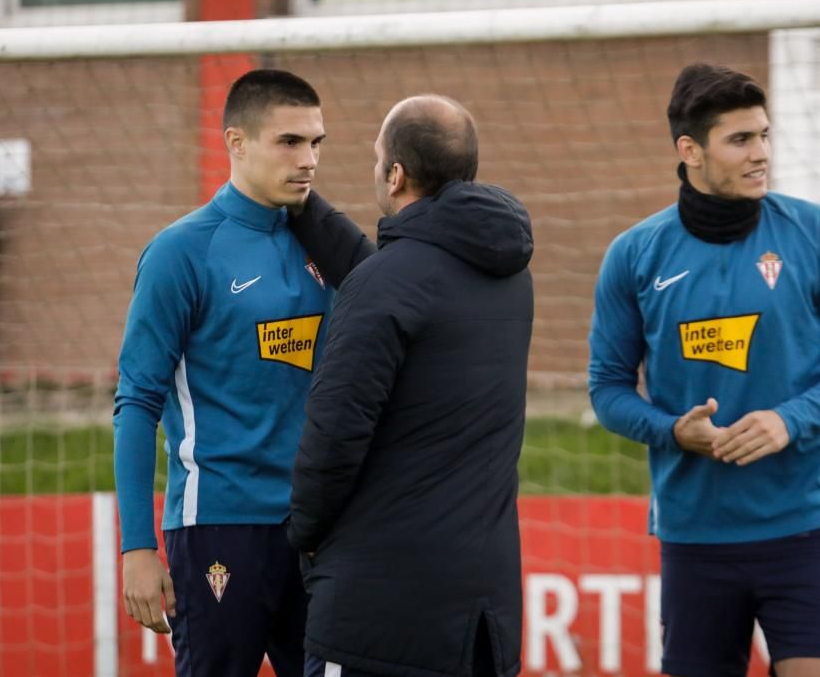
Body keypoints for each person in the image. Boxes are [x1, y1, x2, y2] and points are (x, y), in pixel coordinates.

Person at [588, 63, 820, 677]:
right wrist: (673, 430)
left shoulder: (813, 232)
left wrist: (790, 419)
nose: (762, 155)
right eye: (741, 140)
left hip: (804, 527)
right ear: (690, 150)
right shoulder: (634, 255)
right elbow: (608, 389)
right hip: (695, 537)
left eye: (765, 135)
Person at [113, 68, 372, 677]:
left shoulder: (326, 249)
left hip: (316, 529)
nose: (307, 159)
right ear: (236, 142)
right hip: (219, 527)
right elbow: (136, 402)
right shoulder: (182, 252)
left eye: (316, 143)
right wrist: (136, 547)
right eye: (289, 141)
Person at [287, 95, 534, 677]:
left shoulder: (385, 286)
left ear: (395, 174)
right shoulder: (509, 276)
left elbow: (334, 438)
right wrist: (306, 208)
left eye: (378, 158)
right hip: (481, 617)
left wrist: (304, 534)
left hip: (380, 616)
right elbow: (405, 280)